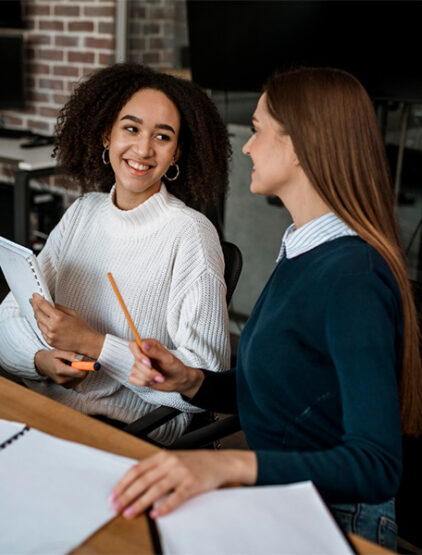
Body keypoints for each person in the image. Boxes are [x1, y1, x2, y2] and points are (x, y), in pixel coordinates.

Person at [109, 67, 422, 549]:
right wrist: (192, 381)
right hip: (285, 498)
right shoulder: (302, 247)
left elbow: (376, 466)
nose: (247, 146)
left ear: (298, 145)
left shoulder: (352, 277)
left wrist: (228, 463)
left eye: (257, 130)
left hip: (339, 520)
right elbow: (286, 392)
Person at [0, 63, 231, 446]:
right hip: (45, 411)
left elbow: (203, 379)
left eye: (162, 136)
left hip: (127, 430)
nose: (143, 149)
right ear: (107, 135)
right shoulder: (83, 212)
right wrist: (40, 360)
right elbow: (7, 320)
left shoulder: (190, 234)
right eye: (131, 128)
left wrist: (94, 344)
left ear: (176, 154)